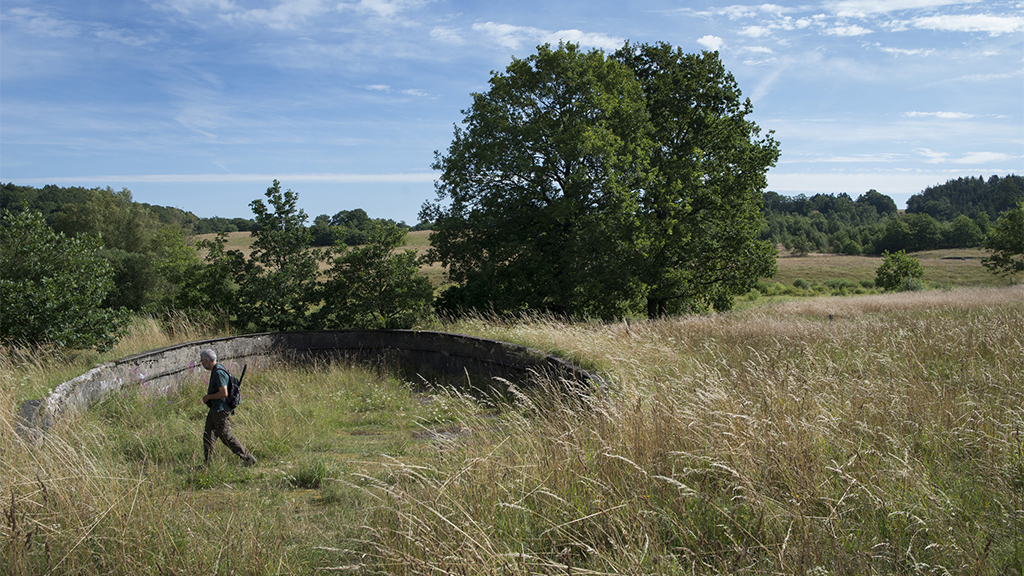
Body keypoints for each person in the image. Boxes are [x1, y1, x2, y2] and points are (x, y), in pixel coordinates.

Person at [199, 349, 256, 467]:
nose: (202, 364)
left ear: (206, 360)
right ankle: (208, 464)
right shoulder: (216, 369)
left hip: (220, 410)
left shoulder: (218, 372)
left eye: (202, 361)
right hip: (214, 409)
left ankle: (248, 459)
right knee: (208, 436)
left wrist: (208, 397)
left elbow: (223, 393)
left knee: (226, 437)